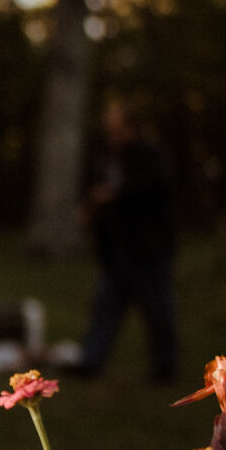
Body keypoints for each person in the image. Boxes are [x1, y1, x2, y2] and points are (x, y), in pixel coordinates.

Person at [75, 100, 178, 383]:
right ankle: (90, 361)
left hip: (147, 249)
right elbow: (98, 191)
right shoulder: (109, 158)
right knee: (105, 306)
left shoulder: (150, 156)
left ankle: (164, 367)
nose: (113, 137)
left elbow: (156, 189)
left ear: (133, 128)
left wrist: (115, 195)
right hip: (115, 250)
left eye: (117, 130)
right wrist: (90, 209)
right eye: (110, 131)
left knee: (157, 308)